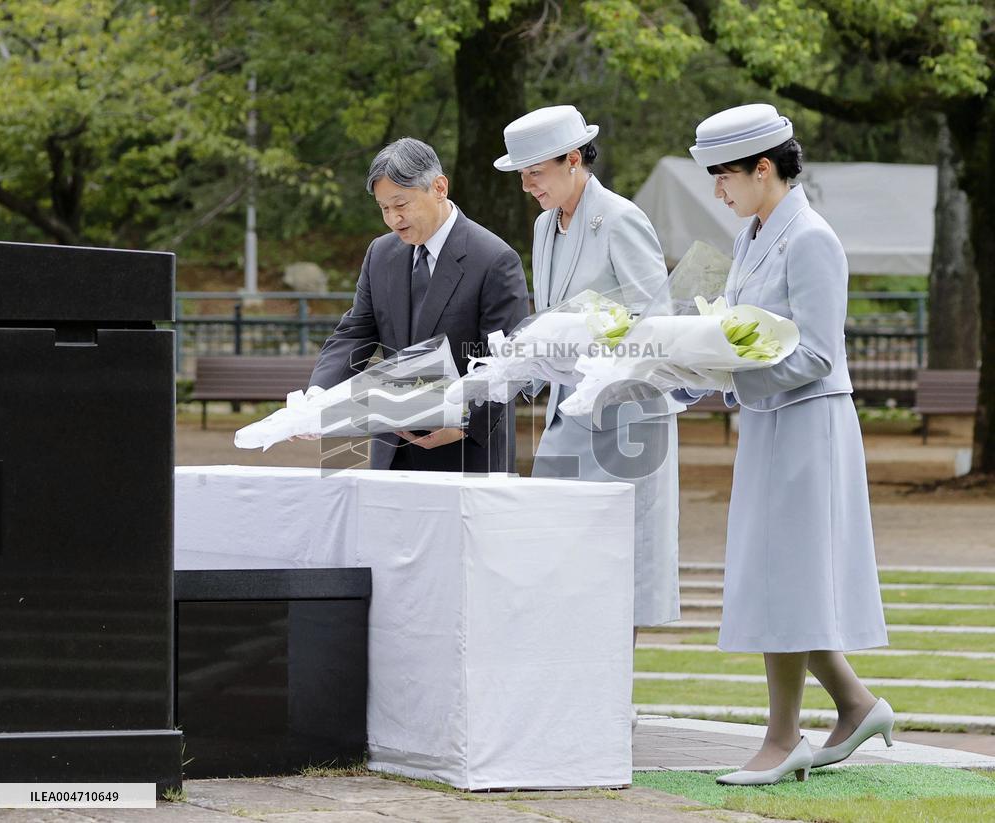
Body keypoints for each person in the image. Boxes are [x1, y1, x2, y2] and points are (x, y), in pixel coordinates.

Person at [686, 103, 891, 786]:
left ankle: (783, 737)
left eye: (724, 176)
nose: (720, 189)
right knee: (776, 576)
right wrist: (697, 365)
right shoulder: (754, 231)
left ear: (763, 169)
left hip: (808, 424)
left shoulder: (811, 238)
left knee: (787, 579)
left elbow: (819, 356)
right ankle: (856, 705)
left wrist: (730, 374)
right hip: (770, 422)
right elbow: (746, 329)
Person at [494, 105, 682, 662]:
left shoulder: (620, 218)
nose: (527, 186)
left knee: (620, 562)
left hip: (626, 415)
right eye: (522, 175)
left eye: (535, 173)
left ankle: (609, 702)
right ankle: (572, 692)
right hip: (566, 410)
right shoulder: (543, 226)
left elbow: (658, 321)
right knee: (561, 558)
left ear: (573, 159)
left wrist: (589, 346)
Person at [308, 137, 530, 472]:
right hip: (392, 448)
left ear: (439, 187)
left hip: (465, 452)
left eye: (401, 205)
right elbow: (355, 333)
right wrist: (317, 396)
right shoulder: (380, 255)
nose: (394, 219)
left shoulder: (494, 259)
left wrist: (463, 421)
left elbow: (509, 362)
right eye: (384, 209)